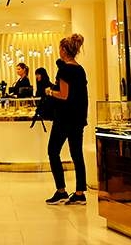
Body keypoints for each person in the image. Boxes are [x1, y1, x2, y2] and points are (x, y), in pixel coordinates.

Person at [44, 34, 89, 205]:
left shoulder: (64, 70)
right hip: (78, 118)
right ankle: (80, 192)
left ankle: (61, 190)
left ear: (63, 50)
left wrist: (50, 92)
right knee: (77, 154)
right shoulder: (80, 69)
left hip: (64, 118)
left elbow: (63, 95)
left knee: (53, 151)